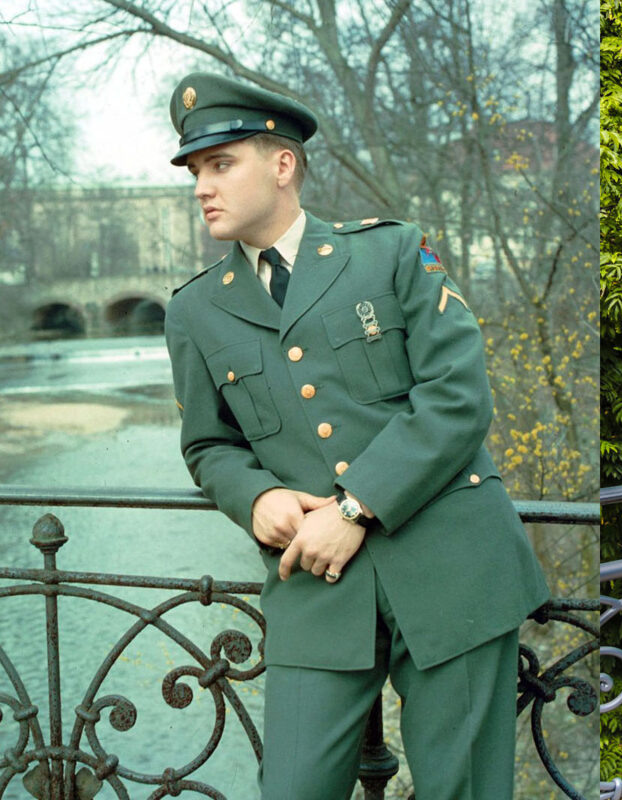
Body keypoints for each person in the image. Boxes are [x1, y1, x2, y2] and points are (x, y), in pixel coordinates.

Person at [162, 72, 549, 800]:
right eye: (194, 171)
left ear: (282, 165)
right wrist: (256, 499)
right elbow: (207, 446)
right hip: (315, 587)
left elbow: (459, 398)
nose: (201, 187)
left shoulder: (391, 254)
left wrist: (355, 508)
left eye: (220, 164)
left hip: (453, 564)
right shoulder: (194, 314)